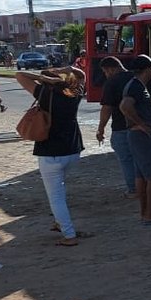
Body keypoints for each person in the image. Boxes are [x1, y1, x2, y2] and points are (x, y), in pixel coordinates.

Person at [15, 66, 86, 246]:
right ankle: (60, 222)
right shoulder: (75, 92)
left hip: (51, 152)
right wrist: (66, 69)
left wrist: (45, 79)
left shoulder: (45, 94)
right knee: (59, 191)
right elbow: (82, 75)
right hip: (73, 148)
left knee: (56, 197)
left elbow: (20, 75)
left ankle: (69, 235)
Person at [119, 55, 151, 225]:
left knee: (141, 176)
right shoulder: (135, 86)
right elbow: (125, 106)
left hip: (138, 136)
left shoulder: (136, 85)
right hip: (142, 136)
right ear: (147, 69)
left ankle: (145, 212)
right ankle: (150, 213)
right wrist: (141, 124)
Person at [95, 56, 136, 198]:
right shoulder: (135, 78)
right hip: (139, 125)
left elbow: (107, 109)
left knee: (126, 160)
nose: (105, 75)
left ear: (111, 69)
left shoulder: (111, 83)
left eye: (105, 72)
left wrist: (101, 129)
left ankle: (133, 189)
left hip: (121, 127)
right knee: (141, 157)